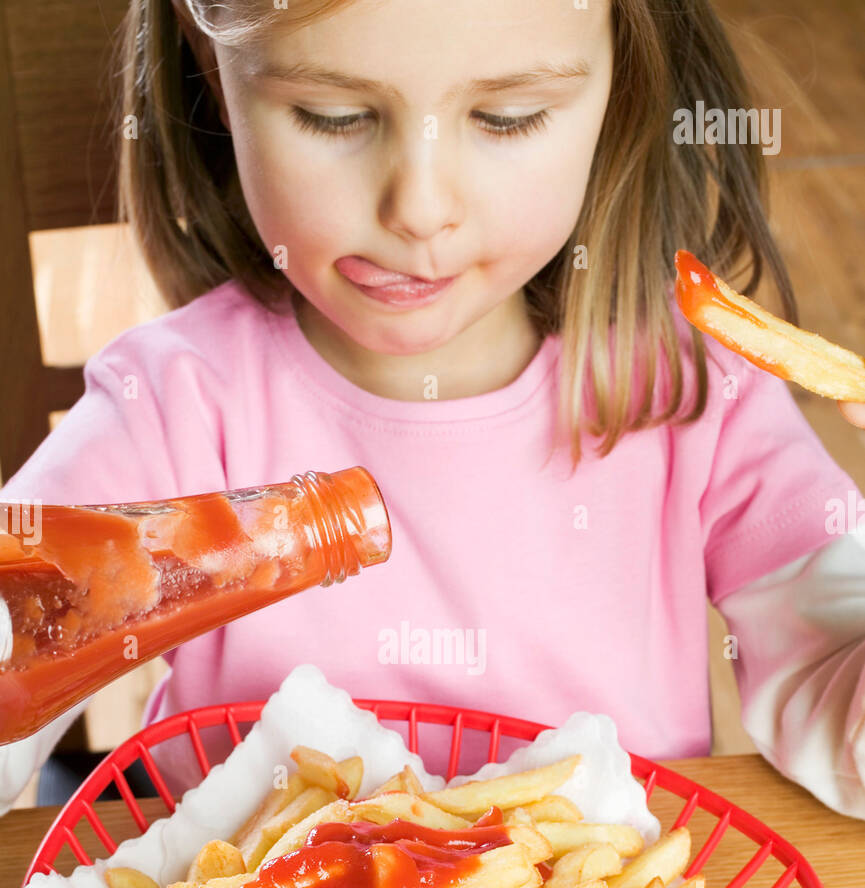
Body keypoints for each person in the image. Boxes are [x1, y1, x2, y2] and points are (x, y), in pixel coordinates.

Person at [1, 0, 864, 815]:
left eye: (508, 118)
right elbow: (20, 636)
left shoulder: (699, 396)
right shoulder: (175, 406)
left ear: (623, 85)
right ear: (216, 75)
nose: (418, 210)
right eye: (332, 116)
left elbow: (836, 697)